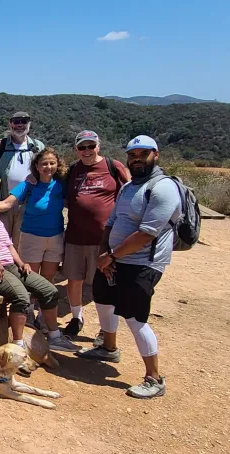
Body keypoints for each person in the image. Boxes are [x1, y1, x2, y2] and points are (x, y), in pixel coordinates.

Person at [76, 135, 178, 400]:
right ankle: (108, 348)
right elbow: (111, 223)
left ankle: (154, 378)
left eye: (142, 154)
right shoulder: (129, 187)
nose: (136, 159)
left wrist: (110, 255)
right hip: (114, 259)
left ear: (156, 154)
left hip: (143, 263)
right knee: (103, 301)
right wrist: (104, 255)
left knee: (135, 318)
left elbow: (147, 233)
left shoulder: (163, 188)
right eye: (132, 155)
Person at [0, 183, 76, 352]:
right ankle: (18, 346)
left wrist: (21, 263)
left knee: (49, 291)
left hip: (11, 266)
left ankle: (54, 337)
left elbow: (8, 245)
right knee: (21, 297)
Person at [61, 130, 129, 338]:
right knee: (74, 280)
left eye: (91, 146)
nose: (87, 151)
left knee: (104, 284)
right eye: (82, 147)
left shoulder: (113, 166)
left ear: (98, 146)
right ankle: (76, 317)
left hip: (105, 240)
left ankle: (106, 329)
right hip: (75, 236)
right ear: (76, 150)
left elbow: (129, 193)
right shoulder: (73, 170)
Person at [0, 148, 67, 285]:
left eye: (52, 163)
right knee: (30, 278)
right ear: (36, 166)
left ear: (57, 165)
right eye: (44, 163)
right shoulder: (28, 184)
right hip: (32, 237)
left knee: (49, 277)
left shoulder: (61, 184)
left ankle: (44, 305)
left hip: (56, 237)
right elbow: (7, 204)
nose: (48, 167)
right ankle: (30, 306)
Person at [0, 112, 45, 245]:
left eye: (24, 121)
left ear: (29, 124)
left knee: (23, 246)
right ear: (10, 124)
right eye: (16, 122)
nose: (20, 125)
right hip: (3, 205)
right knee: (1, 245)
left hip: (28, 206)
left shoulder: (38, 147)